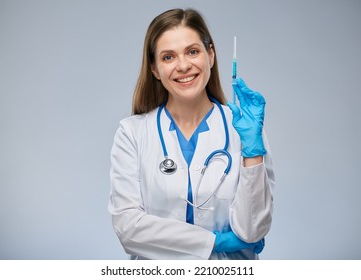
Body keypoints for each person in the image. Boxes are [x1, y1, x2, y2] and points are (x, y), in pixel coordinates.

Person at [109, 8, 275, 260]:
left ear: (211, 55)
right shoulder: (132, 133)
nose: (183, 65)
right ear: (155, 69)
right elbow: (128, 227)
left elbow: (252, 231)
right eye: (168, 57)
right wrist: (214, 242)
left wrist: (253, 152)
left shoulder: (245, 128)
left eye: (193, 51)